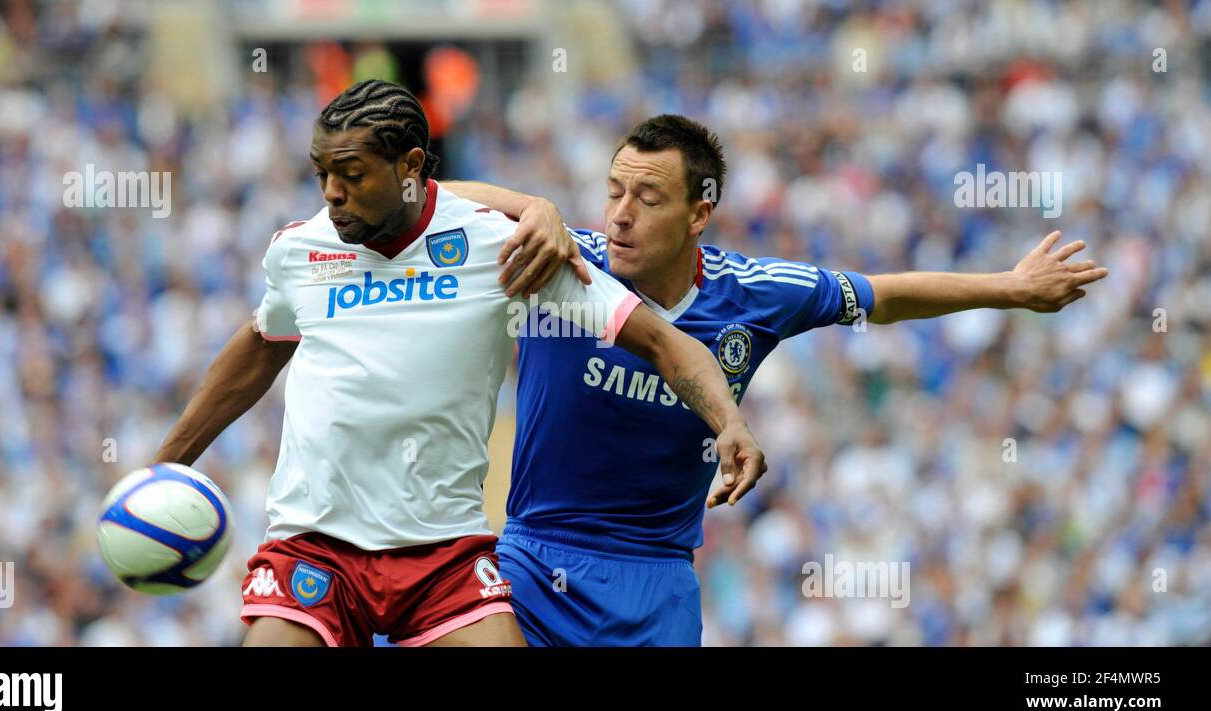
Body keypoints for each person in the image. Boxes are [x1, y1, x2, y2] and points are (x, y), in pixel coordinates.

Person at [443, 113, 1109, 646]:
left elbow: (884, 296)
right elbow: (436, 204)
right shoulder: (560, 259)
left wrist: (1011, 288)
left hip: (657, 584)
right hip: (535, 560)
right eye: (614, 192)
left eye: (647, 198)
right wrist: (532, 204)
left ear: (698, 215)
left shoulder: (756, 294)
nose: (619, 214)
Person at [150, 87, 766, 647]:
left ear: (412, 167)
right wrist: (166, 464)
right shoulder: (301, 249)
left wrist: (728, 422)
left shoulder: (500, 247)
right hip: (314, 548)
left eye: (352, 174)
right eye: (322, 174)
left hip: (442, 556)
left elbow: (665, 343)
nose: (332, 192)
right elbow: (262, 343)